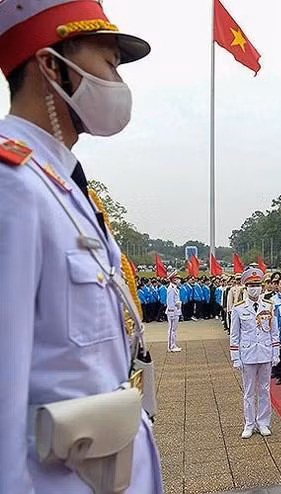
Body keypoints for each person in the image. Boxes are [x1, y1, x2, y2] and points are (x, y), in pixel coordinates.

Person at [0, 0, 163, 491]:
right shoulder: (13, 186)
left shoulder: (62, 182)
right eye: (109, 63)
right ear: (51, 65)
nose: (118, 82)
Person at [230, 267, 280, 438]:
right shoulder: (238, 308)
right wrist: (235, 358)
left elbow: (274, 332)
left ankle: (264, 422)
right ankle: (249, 424)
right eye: (251, 285)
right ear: (246, 287)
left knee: (265, 390)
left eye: (257, 284)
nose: (255, 288)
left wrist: (276, 353)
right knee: (249, 391)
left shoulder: (269, 306)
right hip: (248, 354)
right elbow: (234, 335)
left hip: (265, 352)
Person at [166, 271, 182, 352]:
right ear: (172, 279)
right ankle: (171, 346)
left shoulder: (175, 288)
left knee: (174, 329)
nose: (178, 280)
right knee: (172, 329)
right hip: (172, 311)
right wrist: (171, 312)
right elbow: (170, 301)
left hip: (176, 311)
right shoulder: (171, 289)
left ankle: (173, 344)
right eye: (176, 278)